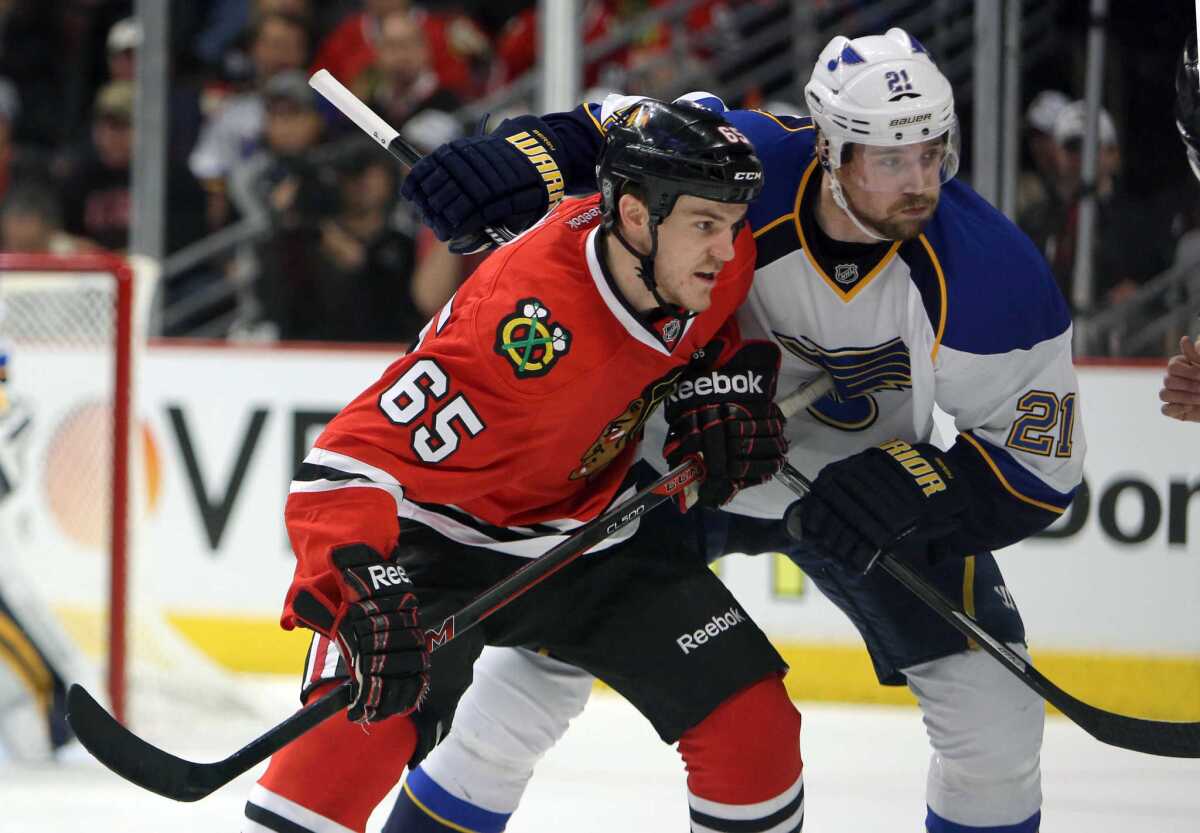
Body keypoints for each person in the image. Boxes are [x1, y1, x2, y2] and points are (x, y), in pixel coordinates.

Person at [382, 28, 1084, 833]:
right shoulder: (746, 161)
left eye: (931, 154)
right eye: (890, 160)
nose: (917, 184)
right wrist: (520, 161)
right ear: (828, 146)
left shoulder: (995, 279)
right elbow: (615, 132)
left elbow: (1038, 472)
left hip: (863, 492)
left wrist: (919, 484)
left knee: (996, 717)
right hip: (676, 462)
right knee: (517, 694)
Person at [243, 100, 805, 833]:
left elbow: (707, 314)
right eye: (705, 224)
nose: (728, 251)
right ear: (634, 217)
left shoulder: (712, 260)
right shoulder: (519, 331)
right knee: (348, 744)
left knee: (753, 728)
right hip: (439, 543)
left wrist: (728, 377)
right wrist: (361, 582)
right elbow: (346, 460)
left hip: (588, 532)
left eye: (735, 224)